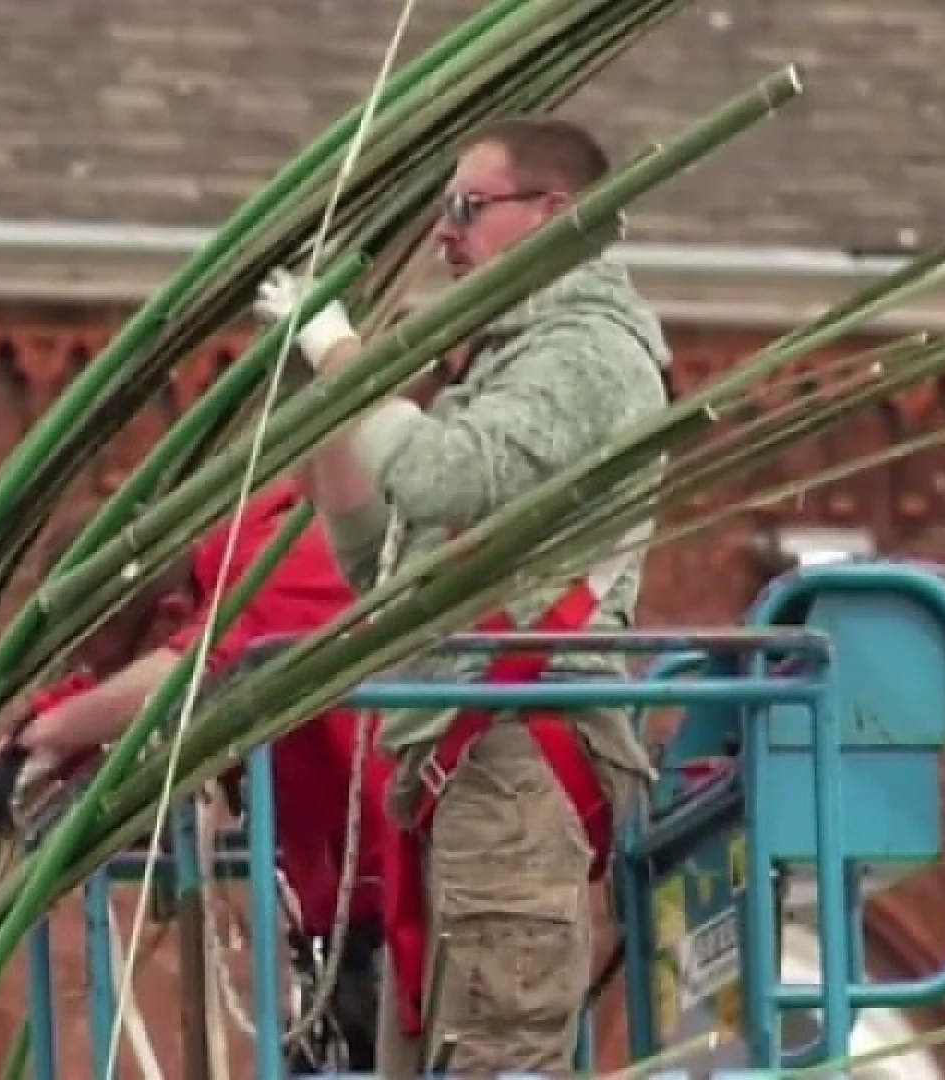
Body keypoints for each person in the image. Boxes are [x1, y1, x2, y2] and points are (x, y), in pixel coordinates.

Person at [253, 115, 671, 1074]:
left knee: (494, 1052)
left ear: (553, 214)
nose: (447, 235)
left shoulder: (584, 354)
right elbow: (377, 568)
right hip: (465, 769)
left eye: (467, 209)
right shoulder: (505, 364)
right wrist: (332, 407)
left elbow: (441, 476)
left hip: (516, 764)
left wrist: (347, 359)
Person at [0, 481, 393, 1071]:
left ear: (167, 616)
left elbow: (183, 672)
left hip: (422, 885)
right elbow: (65, 719)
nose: (93, 678)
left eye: (103, 659)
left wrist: (57, 732)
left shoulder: (277, 564)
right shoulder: (167, 615)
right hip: (349, 923)